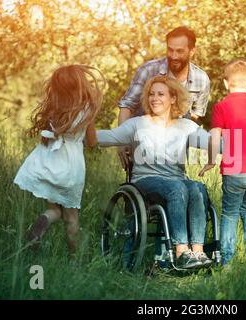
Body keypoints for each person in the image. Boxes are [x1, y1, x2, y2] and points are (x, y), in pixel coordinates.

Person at [97, 76, 213, 269]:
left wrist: (243, 146)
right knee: (177, 187)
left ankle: (198, 252)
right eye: (151, 94)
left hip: (176, 182)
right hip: (145, 182)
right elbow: (110, 136)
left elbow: (214, 143)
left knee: (197, 188)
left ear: (173, 98)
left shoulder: (186, 127)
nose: (154, 98)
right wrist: (76, 133)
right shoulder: (138, 124)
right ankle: (181, 251)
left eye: (161, 94)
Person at [14, 65, 105, 257]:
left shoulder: (55, 109)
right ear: (80, 85)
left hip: (51, 162)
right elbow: (92, 142)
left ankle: (43, 221)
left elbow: (46, 138)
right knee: (71, 217)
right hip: (72, 165)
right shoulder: (86, 110)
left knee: (54, 209)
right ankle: (74, 262)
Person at [199, 59, 246, 266]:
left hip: (234, 167)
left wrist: (211, 160)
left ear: (225, 83)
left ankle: (227, 261)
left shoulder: (222, 107)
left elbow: (214, 137)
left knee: (229, 213)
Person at [117, 26, 210, 170]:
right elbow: (127, 105)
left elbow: (195, 114)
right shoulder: (149, 70)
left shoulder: (201, 79)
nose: (173, 55)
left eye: (179, 51)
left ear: (192, 51)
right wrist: (122, 140)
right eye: (170, 49)